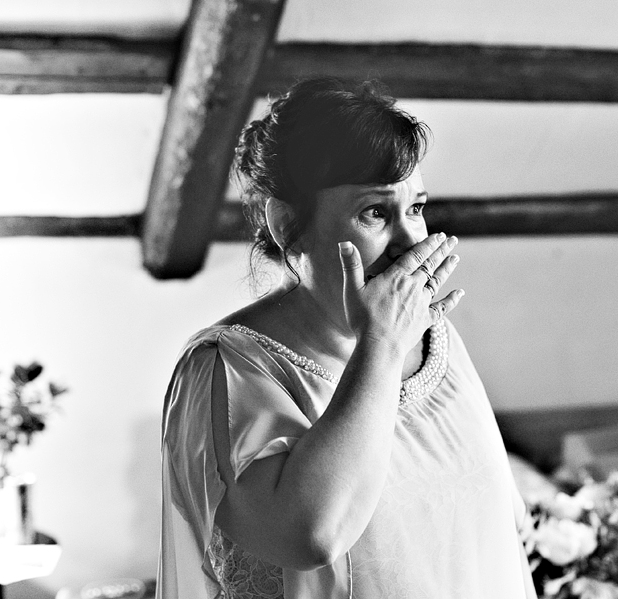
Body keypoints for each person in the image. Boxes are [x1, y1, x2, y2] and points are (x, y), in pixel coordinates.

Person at [158, 77, 536, 599]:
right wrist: (380, 344)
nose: (409, 241)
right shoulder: (232, 366)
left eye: (417, 209)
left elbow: (500, 535)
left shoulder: (436, 340)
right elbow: (312, 536)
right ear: (286, 222)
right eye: (375, 212)